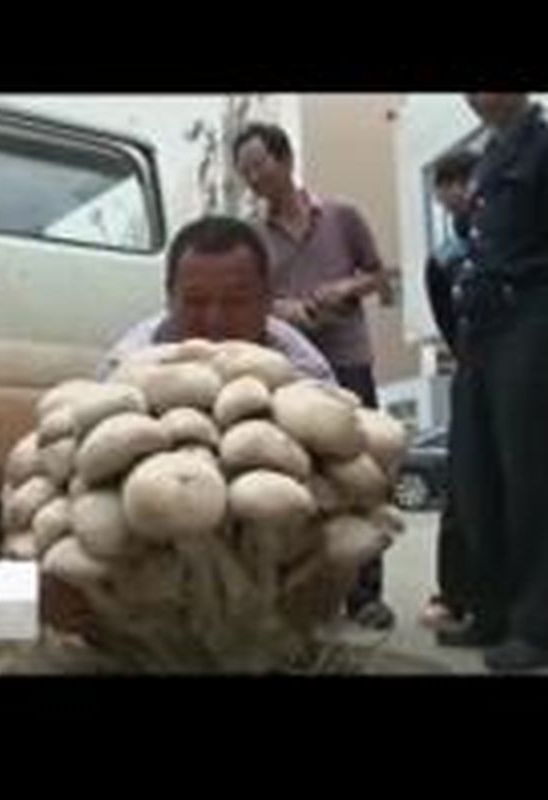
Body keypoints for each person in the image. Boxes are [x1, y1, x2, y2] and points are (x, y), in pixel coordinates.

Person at [232, 122, 397, 631]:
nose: (253, 178)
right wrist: (285, 310)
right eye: (245, 172)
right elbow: (252, 297)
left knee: (360, 472)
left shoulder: (342, 216)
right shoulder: (254, 237)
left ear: (284, 160)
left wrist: (345, 288)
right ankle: (308, 594)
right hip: (291, 367)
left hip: (348, 359)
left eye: (259, 165)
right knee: (301, 478)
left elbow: (380, 275)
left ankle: (366, 595)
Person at [435, 93, 548, 672]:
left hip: (532, 322)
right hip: (480, 334)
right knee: (474, 476)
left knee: (531, 476)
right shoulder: (486, 159)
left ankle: (542, 625)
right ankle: (492, 611)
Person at [97, 215, 334, 383]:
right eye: (196, 302)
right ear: (169, 298)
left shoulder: (304, 372)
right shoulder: (125, 371)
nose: (215, 321)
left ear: (267, 300)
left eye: (235, 302)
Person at [419, 150, 480, 634]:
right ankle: (454, 596)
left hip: (526, 368)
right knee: (463, 487)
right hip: (475, 372)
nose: (456, 194)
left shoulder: (518, 235)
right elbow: (445, 318)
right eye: (447, 186)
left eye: (463, 182)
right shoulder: (443, 257)